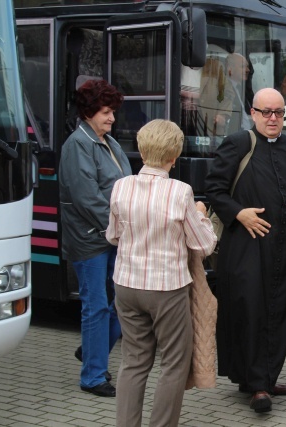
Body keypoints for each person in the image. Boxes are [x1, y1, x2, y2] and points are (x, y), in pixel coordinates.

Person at [205, 87, 286, 413]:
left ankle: (265, 377)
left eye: (279, 113)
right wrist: (238, 213)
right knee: (251, 311)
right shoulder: (238, 144)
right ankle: (256, 384)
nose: (273, 118)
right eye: (266, 112)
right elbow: (213, 188)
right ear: (253, 113)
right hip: (247, 248)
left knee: (281, 311)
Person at [106, 119, 217, 427]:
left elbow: (112, 236)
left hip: (126, 284)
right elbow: (203, 244)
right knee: (173, 364)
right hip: (167, 287)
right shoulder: (180, 192)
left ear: (142, 151)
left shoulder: (121, 186)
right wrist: (201, 215)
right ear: (174, 156)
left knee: (134, 362)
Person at [59, 79, 132, 397]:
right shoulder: (78, 144)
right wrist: (124, 229)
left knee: (122, 304)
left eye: (113, 112)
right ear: (89, 112)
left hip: (112, 237)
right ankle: (92, 376)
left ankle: (92, 350)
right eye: (106, 112)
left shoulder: (109, 143)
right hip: (91, 240)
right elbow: (87, 199)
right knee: (97, 306)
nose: (112, 118)